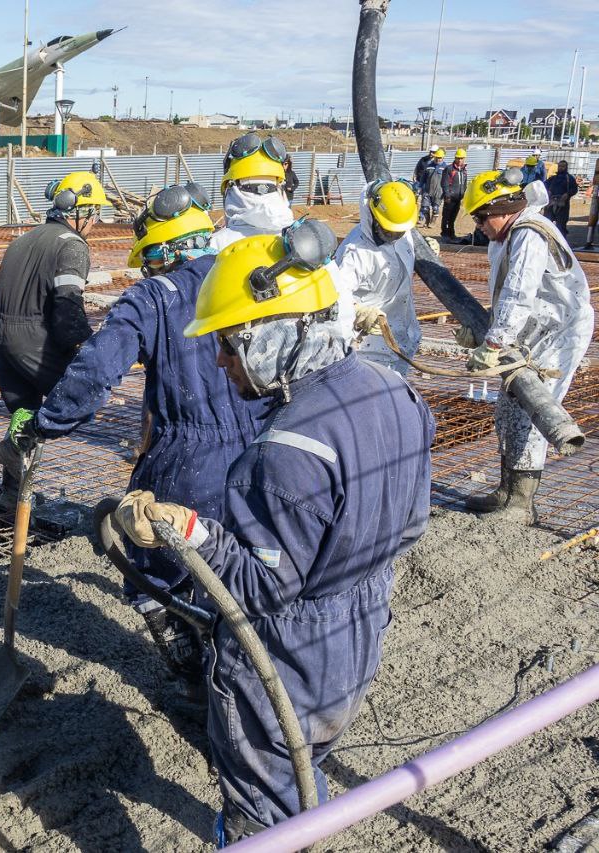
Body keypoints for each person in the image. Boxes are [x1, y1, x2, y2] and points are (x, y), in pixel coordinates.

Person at [115, 221, 434, 843]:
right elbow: (412, 521)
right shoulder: (395, 392)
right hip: (359, 632)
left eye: (231, 344)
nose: (220, 361)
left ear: (274, 334)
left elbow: (260, 591)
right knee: (302, 765)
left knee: (262, 807)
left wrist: (186, 531)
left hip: (281, 660)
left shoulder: (282, 451)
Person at [0, 183, 268, 678]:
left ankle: (191, 666)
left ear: (162, 250)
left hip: (190, 457)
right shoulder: (254, 280)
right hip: (266, 452)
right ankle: (237, 663)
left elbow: (97, 370)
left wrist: (48, 422)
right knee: (242, 566)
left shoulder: (152, 297)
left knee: (152, 559)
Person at [457, 167, 594, 523]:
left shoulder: (529, 235)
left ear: (503, 209)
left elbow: (519, 295)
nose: (479, 225)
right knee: (507, 409)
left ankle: (521, 504)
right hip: (533, 331)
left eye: (482, 217)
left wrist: (493, 341)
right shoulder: (510, 235)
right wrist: (490, 322)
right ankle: (507, 490)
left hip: (555, 335)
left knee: (530, 412)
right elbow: (510, 293)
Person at [0, 170, 101, 508]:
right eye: (95, 213)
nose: (96, 222)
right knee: (83, 397)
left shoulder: (23, 239)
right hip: (33, 338)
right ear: (78, 213)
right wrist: (86, 348)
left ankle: (13, 494)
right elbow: (67, 304)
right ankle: (18, 443)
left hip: (1, 336)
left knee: (24, 409)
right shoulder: (72, 245)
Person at [212, 132, 355, 347]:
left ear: (230, 190)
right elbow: (341, 317)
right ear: (279, 189)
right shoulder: (308, 242)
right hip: (299, 365)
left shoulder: (215, 247)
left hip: (233, 367)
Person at [336, 180, 421, 377]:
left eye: (399, 232)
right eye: (388, 231)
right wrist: (357, 311)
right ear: (373, 216)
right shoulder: (356, 252)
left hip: (401, 338)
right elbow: (334, 297)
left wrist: (421, 252)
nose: (394, 236)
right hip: (367, 349)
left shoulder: (400, 231)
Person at [440, 148, 468, 241]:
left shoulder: (464, 170)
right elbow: (444, 183)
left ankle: (451, 234)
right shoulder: (449, 169)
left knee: (453, 217)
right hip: (450, 198)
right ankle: (445, 234)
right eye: (458, 158)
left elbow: (464, 184)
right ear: (455, 158)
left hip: (458, 198)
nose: (460, 160)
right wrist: (447, 195)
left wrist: (464, 195)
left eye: (461, 158)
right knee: (446, 216)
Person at [544, 159, 578, 237]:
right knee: (547, 222)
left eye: (563, 166)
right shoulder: (553, 178)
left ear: (566, 167)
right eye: (559, 166)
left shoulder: (570, 178)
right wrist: (548, 191)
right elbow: (544, 185)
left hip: (563, 204)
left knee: (561, 225)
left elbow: (574, 189)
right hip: (551, 203)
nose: (561, 168)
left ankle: (562, 242)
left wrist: (568, 194)